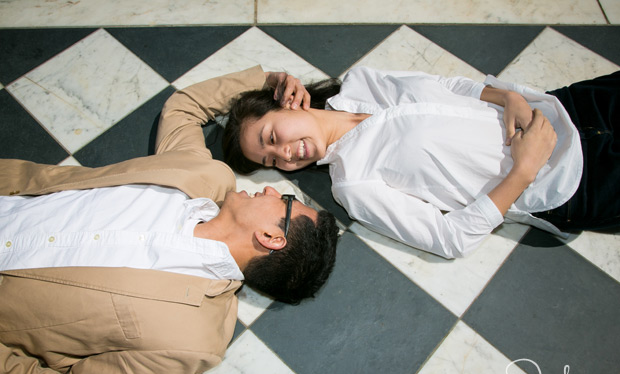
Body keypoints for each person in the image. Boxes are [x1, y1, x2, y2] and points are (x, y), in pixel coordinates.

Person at [0, 68, 339, 374]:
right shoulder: (206, 176)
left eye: (284, 202)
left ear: (271, 237)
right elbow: (183, 108)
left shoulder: (194, 338)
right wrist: (269, 84)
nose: (270, 187)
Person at [222, 66, 620, 259]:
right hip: (574, 182)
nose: (285, 155)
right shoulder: (353, 185)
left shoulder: (361, 81)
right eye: (272, 160)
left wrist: (507, 98)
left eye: (273, 138)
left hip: (569, 105)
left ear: (288, 101)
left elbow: (448, 86)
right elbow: (449, 239)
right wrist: (523, 171)